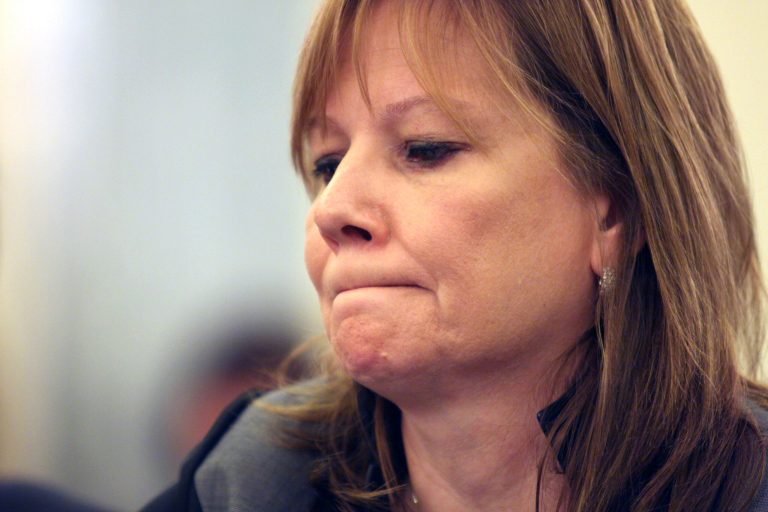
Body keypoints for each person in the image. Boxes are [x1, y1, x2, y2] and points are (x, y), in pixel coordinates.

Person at [142, 0, 768, 511]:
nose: (331, 211)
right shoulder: (255, 478)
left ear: (615, 212)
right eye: (327, 164)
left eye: (425, 148)